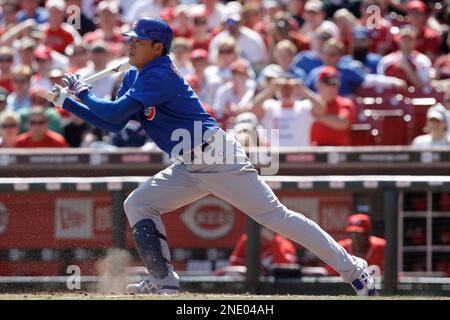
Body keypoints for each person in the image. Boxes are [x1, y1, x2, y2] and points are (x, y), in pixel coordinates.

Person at [48, 17, 376, 296]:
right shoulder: (135, 75)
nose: (131, 46)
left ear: (157, 47)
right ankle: (163, 281)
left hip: (216, 156)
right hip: (189, 164)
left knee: (276, 218)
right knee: (137, 204)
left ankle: (352, 269)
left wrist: (79, 96)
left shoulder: (161, 73)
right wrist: (74, 102)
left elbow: (113, 113)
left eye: (139, 41)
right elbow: (114, 121)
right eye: (130, 40)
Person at [249, 73, 325, 147]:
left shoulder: (304, 107)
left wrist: (303, 90)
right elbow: (253, 110)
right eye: (283, 88)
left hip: (300, 156)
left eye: (290, 88)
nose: (286, 91)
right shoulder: (270, 106)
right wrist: (271, 90)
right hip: (276, 157)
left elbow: (321, 109)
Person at [310, 66, 356, 146]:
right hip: (313, 152)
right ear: (319, 84)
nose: (332, 87)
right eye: (327, 83)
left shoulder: (345, 103)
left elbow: (343, 123)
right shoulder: (309, 104)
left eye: (335, 83)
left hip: (339, 153)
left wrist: (315, 117)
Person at [229, 227, 298, 275]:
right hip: (251, 284)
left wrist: (273, 241)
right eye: (262, 226)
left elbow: (285, 269)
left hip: (278, 286)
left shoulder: (284, 244)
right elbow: (234, 265)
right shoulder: (248, 240)